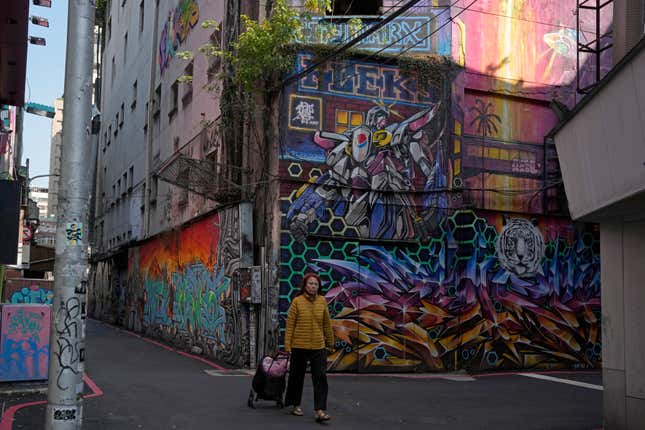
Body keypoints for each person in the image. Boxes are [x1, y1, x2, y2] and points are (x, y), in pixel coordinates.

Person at [283, 273, 334, 422]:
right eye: (310, 283)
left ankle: (320, 410)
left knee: (320, 377)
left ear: (319, 287)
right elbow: (290, 324)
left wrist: (330, 342)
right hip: (299, 345)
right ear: (305, 285)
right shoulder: (297, 301)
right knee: (296, 377)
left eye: (316, 284)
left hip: (318, 346)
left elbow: (326, 323)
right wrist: (288, 345)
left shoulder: (322, 301)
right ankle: (295, 404)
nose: (313, 286)